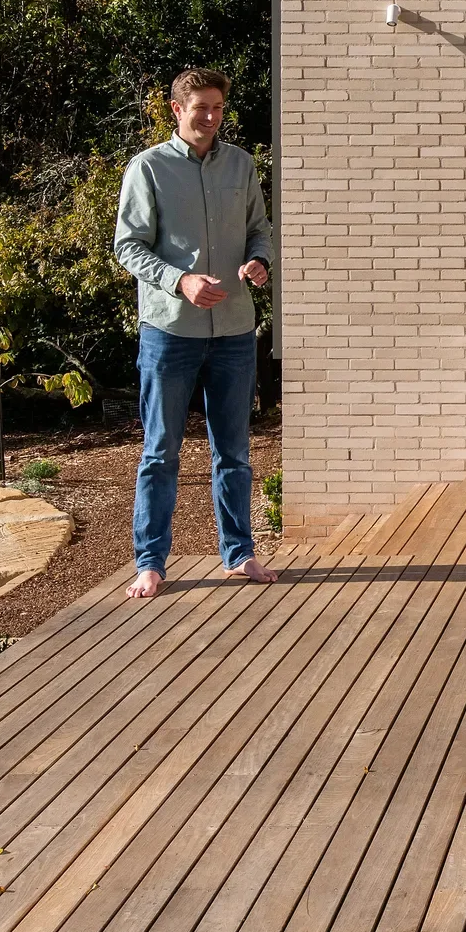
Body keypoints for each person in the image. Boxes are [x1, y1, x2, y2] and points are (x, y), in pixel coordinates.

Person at [113, 67, 275, 600]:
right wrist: (179, 279)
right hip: (169, 331)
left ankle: (239, 553)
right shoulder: (148, 168)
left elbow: (259, 230)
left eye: (218, 108)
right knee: (161, 451)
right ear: (176, 110)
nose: (210, 117)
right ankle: (151, 562)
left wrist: (258, 261)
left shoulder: (241, 165)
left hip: (232, 330)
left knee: (234, 451)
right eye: (200, 107)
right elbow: (128, 246)